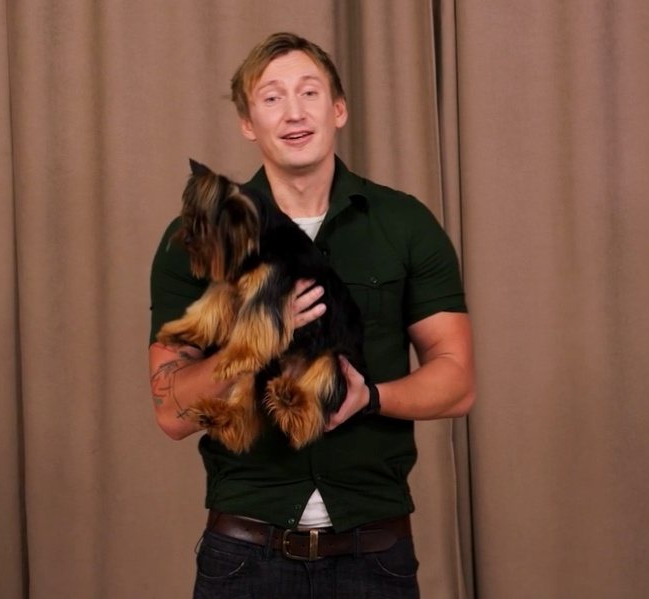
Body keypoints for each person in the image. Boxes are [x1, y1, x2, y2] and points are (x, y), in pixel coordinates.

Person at [148, 31, 476, 598]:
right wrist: (254, 343)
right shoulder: (194, 240)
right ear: (247, 122)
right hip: (245, 560)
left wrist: (371, 397)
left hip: (374, 558)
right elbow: (171, 413)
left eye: (309, 92)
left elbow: (458, 380)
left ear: (338, 109)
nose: (294, 112)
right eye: (271, 97)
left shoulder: (404, 224)